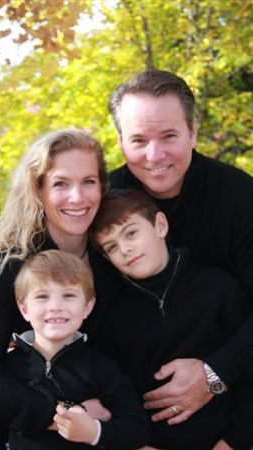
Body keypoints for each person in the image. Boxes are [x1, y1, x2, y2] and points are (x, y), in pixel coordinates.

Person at [0, 128, 124, 444]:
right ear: (38, 190)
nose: (78, 197)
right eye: (61, 183)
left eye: (88, 182)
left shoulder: (114, 259)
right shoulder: (10, 264)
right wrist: (62, 414)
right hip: (17, 437)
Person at [108, 69, 253, 427]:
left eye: (169, 135)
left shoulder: (240, 199)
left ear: (193, 132)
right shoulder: (103, 204)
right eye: (138, 140)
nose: (154, 155)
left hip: (239, 396)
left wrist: (214, 374)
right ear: (121, 140)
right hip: (128, 414)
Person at [89, 189, 253, 450]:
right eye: (112, 247)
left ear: (160, 225)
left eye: (131, 233)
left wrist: (234, 441)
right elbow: (114, 393)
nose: (125, 249)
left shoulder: (218, 288)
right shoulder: (113, 317)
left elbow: (247, 371)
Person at [0, 249, 151, 449]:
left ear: (87, 307)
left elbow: (138, 428)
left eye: (68, 295)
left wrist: (94, 432)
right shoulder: (7, 370)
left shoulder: (101, 367)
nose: (55, 306)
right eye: (42, 296)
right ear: (24, 309)